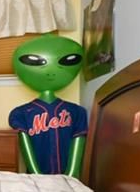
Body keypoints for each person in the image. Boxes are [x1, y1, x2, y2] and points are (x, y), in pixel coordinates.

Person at [7, 34, 87, 177]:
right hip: (37, 178)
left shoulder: (75, 111)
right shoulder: (21, 113)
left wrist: (72, 177)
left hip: (66, 178)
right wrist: (37, 175)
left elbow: (78, 141)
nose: (50, 71)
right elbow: (25, 146)